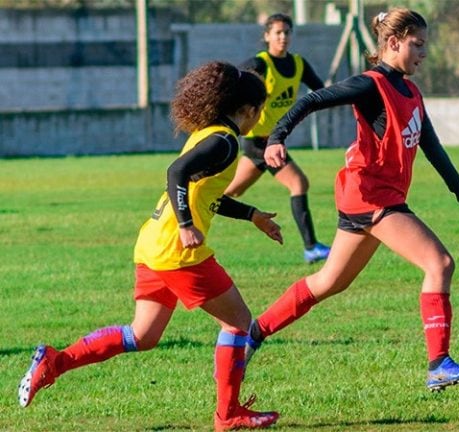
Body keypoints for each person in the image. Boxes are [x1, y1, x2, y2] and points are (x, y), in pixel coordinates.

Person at [242, 8, 459, 392]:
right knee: (440, 263)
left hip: (371, 197)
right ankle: (438, 364)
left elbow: (431, 146)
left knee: (329, 282)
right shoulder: (370, 84)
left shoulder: (411, 91)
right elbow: (311, 100)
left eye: (425, 45)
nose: (424, 53)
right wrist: (278, 137)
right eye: (418, 45)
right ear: (394, 43)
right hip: (371, 195)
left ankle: (255, 331)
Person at [18, 62, 283, 431]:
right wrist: (188, 227)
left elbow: (202, 195)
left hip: (154, 243)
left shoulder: (211, 133)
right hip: (178, 250)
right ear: (251, 110)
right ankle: (228, 414)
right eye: (261, 110)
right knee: (238, 323)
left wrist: (252, 214)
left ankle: (55, 362)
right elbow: (176, 173)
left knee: (142, 336)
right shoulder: (224, 141)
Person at [226, 13, 330, 264]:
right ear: (267, 36)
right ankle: (311, 247)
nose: (283, 37)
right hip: (259, 141)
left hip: (271, 142)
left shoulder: (298, 64)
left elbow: (322, 92)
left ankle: (193, 201)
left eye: (287, 32)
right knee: (299, 183)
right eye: (278, 33)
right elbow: (232, 81)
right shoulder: (259, 64)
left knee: (229, 193)